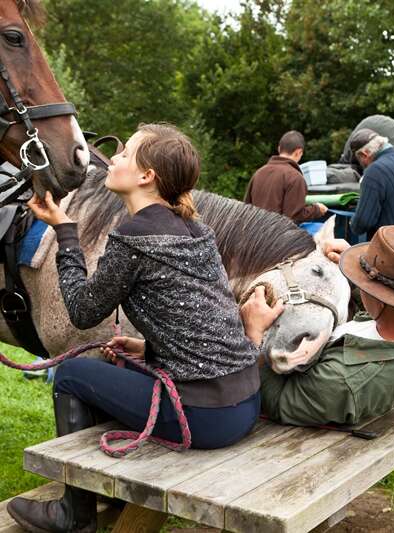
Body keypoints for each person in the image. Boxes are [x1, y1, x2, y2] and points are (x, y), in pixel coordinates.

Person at [7, 123, 270, 533]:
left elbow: (80, 310)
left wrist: (65, 231)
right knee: (112, 368)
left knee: (74, 374)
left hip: (202, 418)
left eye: (125, 153)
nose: (113, 158)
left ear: (147, 176)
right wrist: (145, 350)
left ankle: (74, 515)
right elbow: (197, 327)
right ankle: (105, 488)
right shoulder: (199, 231)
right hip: (244, 406)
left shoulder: (134, 236)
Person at [241, 225, 394, 429]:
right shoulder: (387, 322)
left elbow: (279, 401)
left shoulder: (342, 382)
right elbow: (373, 308)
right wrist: (360, 270)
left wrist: (253, 334)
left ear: (382, 300)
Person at [244, 130, 328, 222]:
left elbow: (245, 209)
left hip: (254, 234)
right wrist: (317, 209)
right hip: (277, 235)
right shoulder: (295, 177)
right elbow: (294, 217)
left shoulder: (258, 173)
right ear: (298, 152)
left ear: (279, 149)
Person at [349, 128, 394, 240]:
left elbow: (363, 222)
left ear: (364, 154)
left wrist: (352, 223)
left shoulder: (374, 171)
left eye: (359, 159)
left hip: (389, 248)